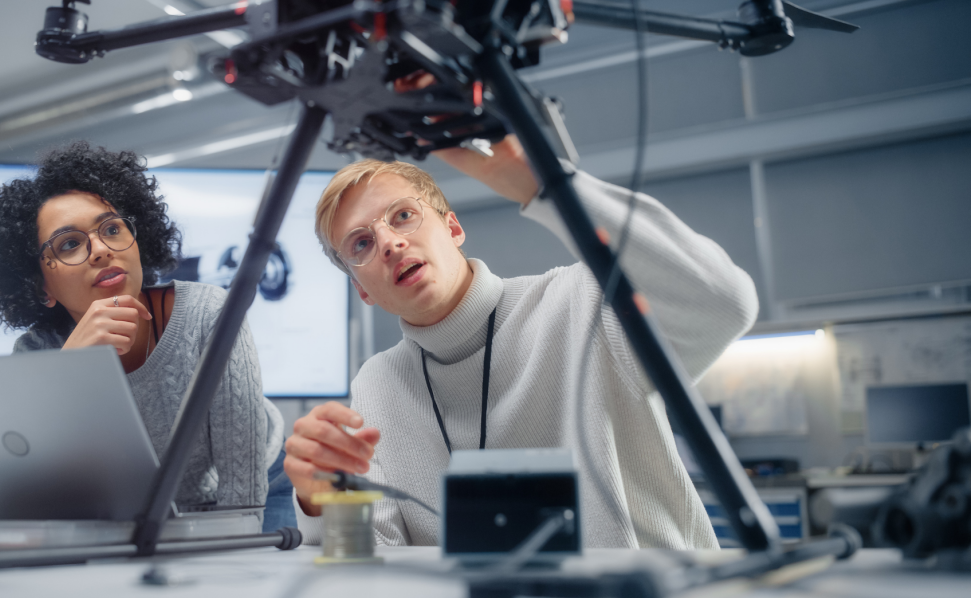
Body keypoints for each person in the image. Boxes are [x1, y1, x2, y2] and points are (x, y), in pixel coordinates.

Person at [283, 136, 759, 548]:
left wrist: (541, 181)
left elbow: (723, 303)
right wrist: (319, 500)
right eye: (361, 244)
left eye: (403, 215)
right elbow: (376, 559)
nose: (389, 243)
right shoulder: (378, 385)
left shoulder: (584, 304)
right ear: (361, 289)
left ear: (452, 228)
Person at [0, 142, 295, 532]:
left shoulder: (210, 313)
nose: (102, 250)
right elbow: (29, 489)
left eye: (111, 229)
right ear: (41, 287)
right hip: (138, 511)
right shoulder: (39, 352)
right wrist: (69, 370)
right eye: (69, 244)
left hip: (254, 483)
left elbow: (242, 503)